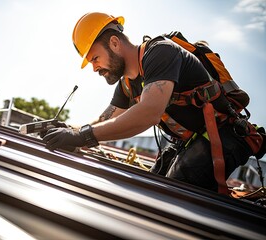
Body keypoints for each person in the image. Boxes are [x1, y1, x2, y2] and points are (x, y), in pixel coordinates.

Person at [42, 12, 263, 193]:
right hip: (193, 141)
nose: (94, 68)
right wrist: (71, 130)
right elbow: (104, 119)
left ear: (114, 43)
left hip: (224, 136)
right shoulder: (128, 85)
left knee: (169, 193)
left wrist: (83, 136)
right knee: (152, 184)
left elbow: (149, 113)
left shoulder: (160, 52)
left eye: (95, 58)